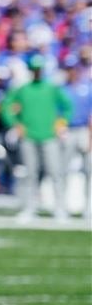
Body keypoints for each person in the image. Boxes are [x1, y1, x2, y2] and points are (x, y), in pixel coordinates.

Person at [0, 54, 73, 222]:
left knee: (55, 172)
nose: (37, 72)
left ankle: (60, 208)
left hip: (49, 136)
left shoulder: (51, 88)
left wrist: (61, 122)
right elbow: (6, 107)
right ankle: (29, 208)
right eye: (35, 69)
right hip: (29, 136)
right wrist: (15, 124)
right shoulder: (23, 89)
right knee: (30, 173)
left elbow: (68, 106)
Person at [62, 51, 91, 218]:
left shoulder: (87, 88)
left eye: (75, 69)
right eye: (69, 69)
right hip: (68, 131)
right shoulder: (62, 89)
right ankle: (63, 206)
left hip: (84, 131)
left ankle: (88, 207)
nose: (72, 72)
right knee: (64, 169)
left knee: (89, 170)